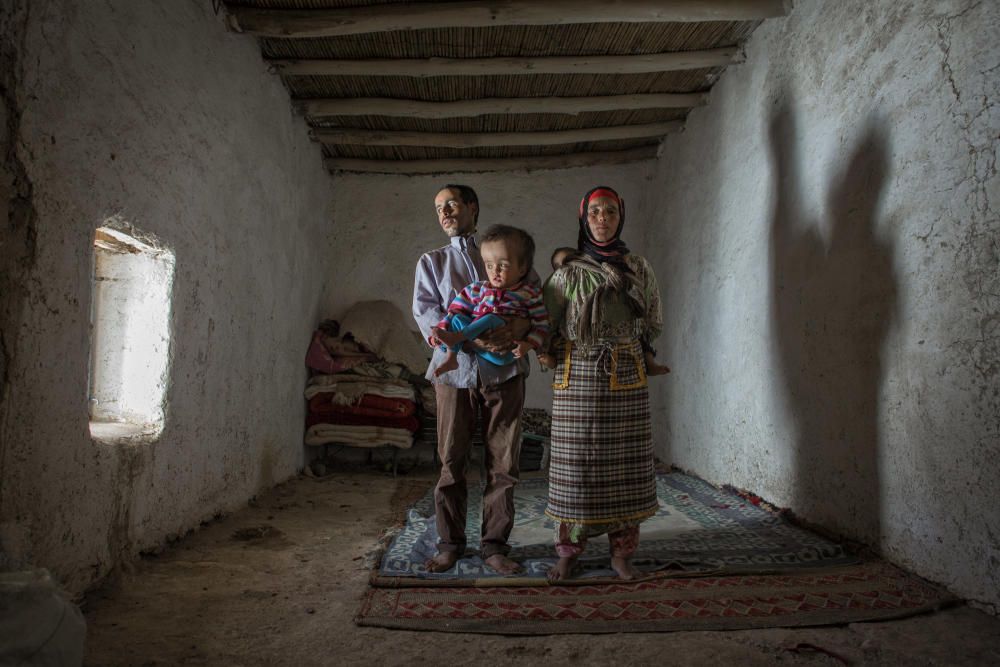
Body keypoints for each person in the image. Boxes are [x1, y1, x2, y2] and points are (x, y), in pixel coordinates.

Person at [542, 186, 666, 581]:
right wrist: (542, 349)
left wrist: (643, 351)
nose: (602, 218)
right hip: (576, 372)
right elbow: (546, 323)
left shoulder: (638, 268)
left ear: (620, 217)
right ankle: (568, 551)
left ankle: (622, 555)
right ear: (584, 218)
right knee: (575, 468)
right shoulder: (568, 272)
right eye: (594, 211)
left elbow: (651, 319)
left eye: (610, 211)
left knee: (624, 469)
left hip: (625, 371)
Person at [412, 185, 536, 575]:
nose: (444, 212)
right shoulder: (431, 263)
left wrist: (519, 325)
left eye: (451, 204)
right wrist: (467, 338)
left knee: (504, 462)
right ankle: (450, 543)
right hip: (455, 376)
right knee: (451, 461)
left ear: (472, 207)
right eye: (438, 208)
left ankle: (495, 545)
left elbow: (532, 300)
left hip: (505, 372)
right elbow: (428, 316)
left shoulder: (507, 250)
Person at [431, 224, 548, 378]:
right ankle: (452, 359)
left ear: (522, 268)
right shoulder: (477, 289)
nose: (495, 271)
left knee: (491, 318)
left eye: (503, 265)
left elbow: (542, 324)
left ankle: (457, 338)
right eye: (489, 265)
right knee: (457, 317)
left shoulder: (529, 293)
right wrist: (440, 332)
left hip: (504, 352)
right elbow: (454, 311)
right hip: (479, 347)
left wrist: (528, 344)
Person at [539, 247, 670, 375]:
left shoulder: (622, 269)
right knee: (555, 341)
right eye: (561, 265)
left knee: (643, 341)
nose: (568, 266)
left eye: (571, 260)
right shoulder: (562, 281)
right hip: (575, 354)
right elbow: (549, 319)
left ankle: (650, 364)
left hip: (626, 351)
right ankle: (552, 361)